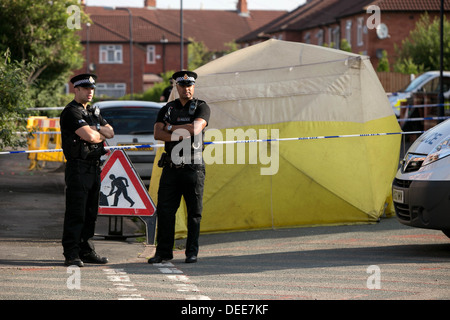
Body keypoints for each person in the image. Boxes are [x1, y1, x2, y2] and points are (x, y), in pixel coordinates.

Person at [148, 70, 210, 264]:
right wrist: (180, 131)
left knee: (194, 213)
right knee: (166, 212)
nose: (187, 89)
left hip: (193, 166)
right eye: (183, 85)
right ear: (177, 87)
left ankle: (191, 252)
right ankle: (163, 252)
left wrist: (170, 128)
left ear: (194, 86)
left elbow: (195, 129)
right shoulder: (167, 109)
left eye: (190, 85)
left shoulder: (201, 107)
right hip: (171, 168)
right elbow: (157, 134)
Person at [60, 73, 114, 267]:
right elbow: (91, 137)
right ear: (77, 89)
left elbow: (111, 132)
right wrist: (97, 132)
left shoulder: (93, 112)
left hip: (93, 166)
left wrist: (95, 130)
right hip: (78, 166)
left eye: (92, 89)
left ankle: (86, 250)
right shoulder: (71, 112)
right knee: (77, 212)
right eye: (86, 89)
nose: (90, 92)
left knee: (91, 212)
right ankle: (72, 253)